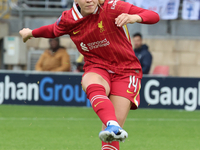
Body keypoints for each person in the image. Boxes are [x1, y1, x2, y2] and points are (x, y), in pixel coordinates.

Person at [19, 0, 159, 149]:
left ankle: (111, 125)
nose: (89, 0)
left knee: (110, 138)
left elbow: (153, 16)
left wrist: (134, 17)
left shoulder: (112, 7)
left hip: (126, 71)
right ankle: (112, 124)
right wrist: (30, 33)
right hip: (97, 65)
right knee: (92, 83)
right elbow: (53, 30)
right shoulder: (69, 19)